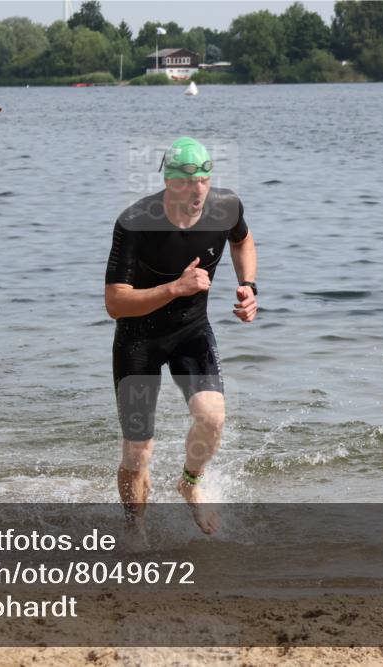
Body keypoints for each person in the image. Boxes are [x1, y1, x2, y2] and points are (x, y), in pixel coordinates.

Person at [104, 137, 258, 543]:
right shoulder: (135, 222)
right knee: (138, 452)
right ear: (168, 182)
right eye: (188, 182)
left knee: (212, 416)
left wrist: (248, 285)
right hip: (138, 340)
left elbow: (242, 240)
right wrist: (175, 288)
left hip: (191, 331)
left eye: (205, 179)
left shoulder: (226, 207)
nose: (198, 191)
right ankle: (135, 527)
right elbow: (115, 303)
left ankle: (190, 482)